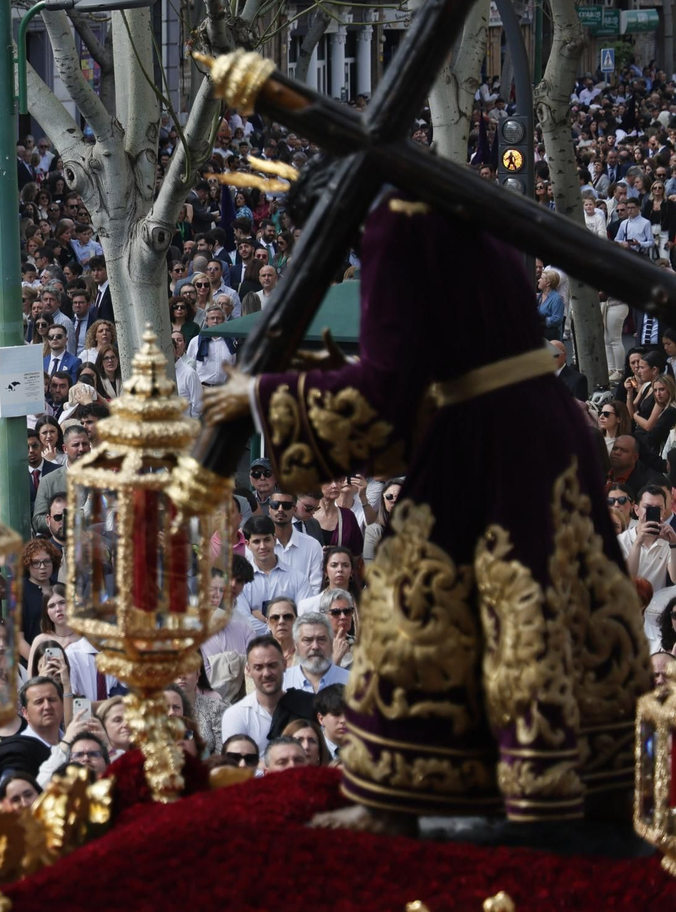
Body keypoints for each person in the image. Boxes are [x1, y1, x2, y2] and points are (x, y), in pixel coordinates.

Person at [204, 175, 652, 830]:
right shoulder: (451, 209)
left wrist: (262, 395)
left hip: (483, 441)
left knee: (415, 601)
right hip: (544, 428)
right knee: (556, 600)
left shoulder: (389, 230)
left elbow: (389, 390)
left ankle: (403, 796)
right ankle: (576, 775)